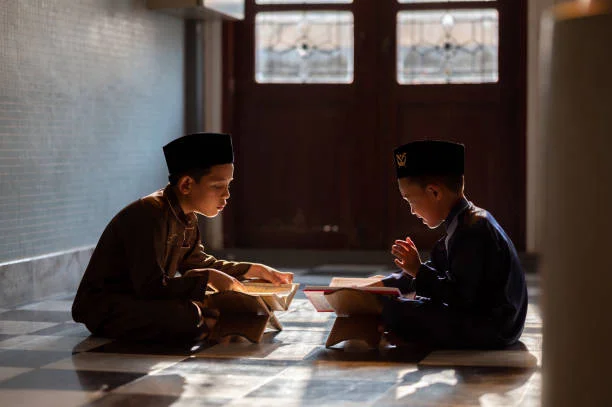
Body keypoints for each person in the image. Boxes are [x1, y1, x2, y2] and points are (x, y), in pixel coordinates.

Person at [72, 133, 293, 342]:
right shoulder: (149, 214)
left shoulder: (186, 216)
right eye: (218, 186)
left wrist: (253, 270)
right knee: (187, 314)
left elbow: (197, 262)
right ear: (186, 184)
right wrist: (206, 278)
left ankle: (205, 322)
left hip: (143, 300)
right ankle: (202, 322)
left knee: (209, 304)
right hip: (110, 307)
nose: (226, 195)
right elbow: (150, 287)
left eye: (228, 185)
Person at [374, 140, 527, 348]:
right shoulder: (465, 222)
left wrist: (418, 271)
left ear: (434, 192)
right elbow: (435, 269)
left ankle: (406, 334)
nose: (411, 211)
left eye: (411, 201)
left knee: (397, 311)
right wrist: (378, 286)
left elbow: (460, 298)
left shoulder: (472, 230)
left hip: (492, 329)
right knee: (397, 305)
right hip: (491, 324)